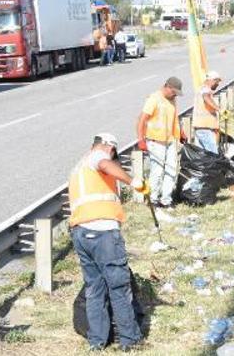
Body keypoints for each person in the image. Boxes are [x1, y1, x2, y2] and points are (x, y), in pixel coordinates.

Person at [68, 133, 148, 351]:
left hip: (81, 233)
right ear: (109, 147)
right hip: (103, 233)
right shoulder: (98, 156)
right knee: (119, 287)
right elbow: (104, 163)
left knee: (94, 289)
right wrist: (134, 181)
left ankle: (97, 341)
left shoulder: (79, 168)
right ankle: (130, 341)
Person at [137, 77, 184, 214]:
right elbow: (142, 120)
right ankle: (153, 199)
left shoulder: (172, 100)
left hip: (169, 140)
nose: (175, 95)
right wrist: (141, 139)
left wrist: (181, 132)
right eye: (174, 92)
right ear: (167, 87)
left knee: (171, 169)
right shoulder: (154, 98)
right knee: (157, 171)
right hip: (155, 141)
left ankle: (166, 199)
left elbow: (175, 118)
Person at [192, 71, 224, 154]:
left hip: (201, 127)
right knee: (212, 154)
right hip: (204, 128)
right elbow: (206, 97)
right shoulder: (206, 90)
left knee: (203, 156)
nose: (217, 85)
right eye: (217, 82)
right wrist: (219, 109)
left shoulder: (202, 89)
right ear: (213, 80)